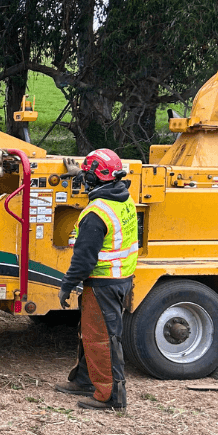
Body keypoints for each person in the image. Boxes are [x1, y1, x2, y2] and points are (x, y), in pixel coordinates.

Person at [54, 149, 138, 410]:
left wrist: (67, 286)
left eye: (86, 176)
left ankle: (111, 396)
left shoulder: (95, 214)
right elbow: (101, 184)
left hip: (104, 282)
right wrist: (79, 173)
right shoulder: (123, 198)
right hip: (120, 279)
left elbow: (84, 260)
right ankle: (84, 379)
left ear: (93, 179)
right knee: (91, 334)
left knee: (103, 339)